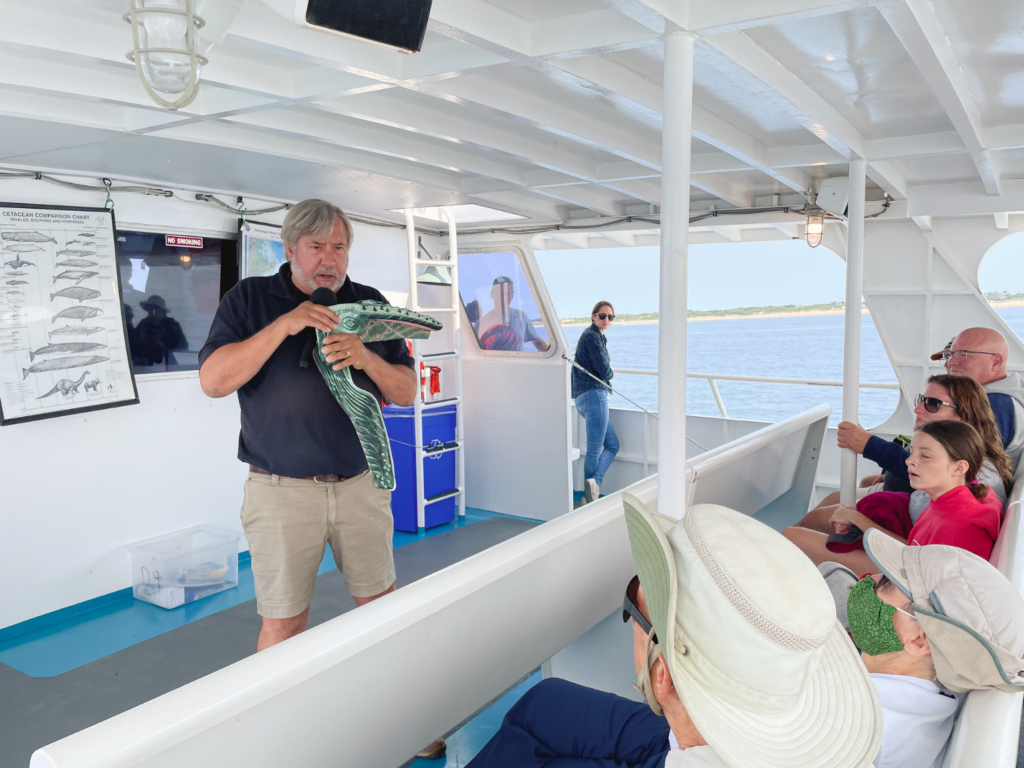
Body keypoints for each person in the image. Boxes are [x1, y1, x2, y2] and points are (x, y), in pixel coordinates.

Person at [468, 495, 883, 768]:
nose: (631, 611)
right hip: (698, 741)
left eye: (636, 606)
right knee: (545, 700)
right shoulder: (772, 690)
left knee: (525, 749)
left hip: (686, 744)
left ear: (662, 674)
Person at [199, 199, 418, 647]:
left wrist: (366, 358)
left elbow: (405, 392)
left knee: (382, 606)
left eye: (339, 247)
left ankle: (393, 703)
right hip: (281, 492)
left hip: (361, 485)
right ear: (289, 248)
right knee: (285, 623)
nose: (329, 259)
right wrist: (285, 325)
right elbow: (214, 382)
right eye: (317, 246)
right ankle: (276, 714)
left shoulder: (370, 303)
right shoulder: (249, 299)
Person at [840, 530, 1024, 767]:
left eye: (886, 582)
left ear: (919, 640)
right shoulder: (935, 694)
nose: (869, 579)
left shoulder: (854, 731)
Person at [797, 374, 1012, 533]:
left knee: (800, 531)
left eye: (933, 404)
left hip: (903, 548)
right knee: (833, 501)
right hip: (903, 521)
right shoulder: (958, 457)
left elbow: (917, 547)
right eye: (921, 399)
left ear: (963, 414)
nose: (918, 409)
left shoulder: (976, 474)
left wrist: (859, 520)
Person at [784, 420, 1003, 574]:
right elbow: (915, 551)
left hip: (910, 584)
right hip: (914, 567)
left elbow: (912, 564)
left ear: (959, 468)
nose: (910, 461)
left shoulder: (952, 519)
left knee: (793, 537)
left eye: (925, 456)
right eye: (912, 452)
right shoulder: (966, 495)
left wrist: (859, 520)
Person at [935, 327, 1024, 466]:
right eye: (950, 355)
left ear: (995, 362)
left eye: (963, 354)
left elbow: (951, 467)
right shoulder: (1006, 396)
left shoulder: (993, 405)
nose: (951, 362)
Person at [571, 302, 619, 504]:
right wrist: (610, 372)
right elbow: (604, 370)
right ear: (593, 316)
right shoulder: (592, 336)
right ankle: (588, 498)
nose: (606, 320)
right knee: (594, 449)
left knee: (612, 445)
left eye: (610, 317)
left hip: (586, 397)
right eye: (602, 316)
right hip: (594, 396)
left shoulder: (597, 336)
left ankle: (594, 484)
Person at [476, 276, 550, 352]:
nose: (504, 296)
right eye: (500, 292)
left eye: (507, 293)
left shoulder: (521, 317)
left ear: (512, 296)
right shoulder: (481, 324)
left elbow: (537, 342)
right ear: (492, 294)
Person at [135, 294, 188, 366]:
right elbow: (133, 344)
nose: (152, 312)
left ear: (162, 310)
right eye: (149, 309)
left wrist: (164, 346)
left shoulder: (172, 325)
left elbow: (184, 346)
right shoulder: (143, 324)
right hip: (145, 364)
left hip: (167, 362)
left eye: (155, 309)